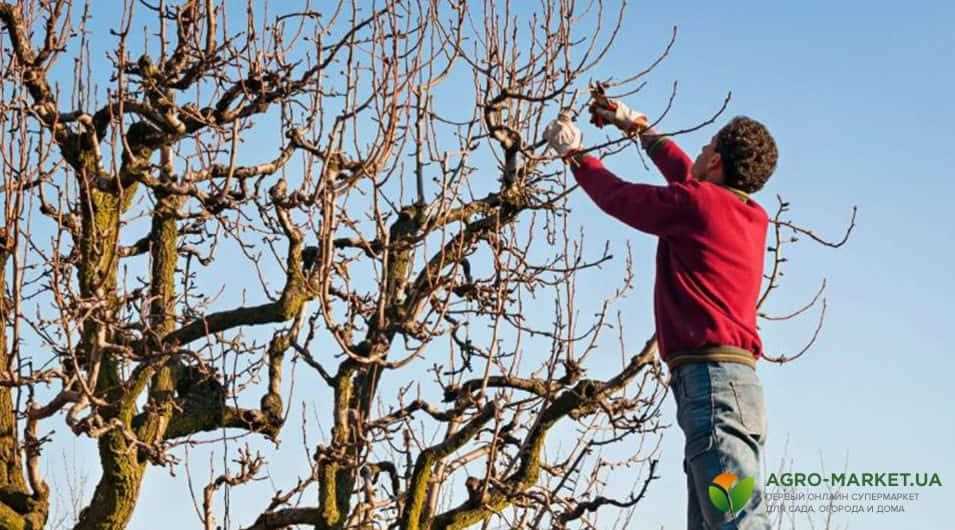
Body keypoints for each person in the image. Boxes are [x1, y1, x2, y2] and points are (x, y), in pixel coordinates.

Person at [543, 101, 778, 530]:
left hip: (712, 387)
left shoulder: (698, 206)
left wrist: (575, 155)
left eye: (706, 147)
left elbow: (621, 198)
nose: (699, 152)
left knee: (738, 522)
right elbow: (688, 176)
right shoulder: (750, 216)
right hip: (733, 386)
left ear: (717, 161)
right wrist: (637, 128)